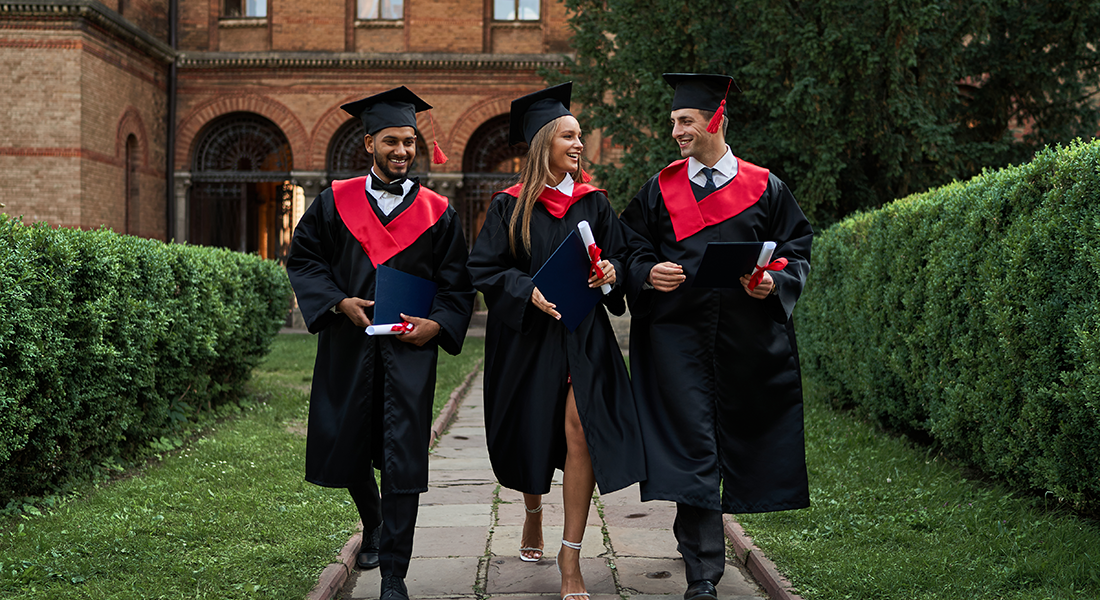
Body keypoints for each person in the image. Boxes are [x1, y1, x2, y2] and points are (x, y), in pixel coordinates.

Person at [619, 73, 813, 600]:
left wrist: (775, 280)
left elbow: (797, 249)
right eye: (674, 122)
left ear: (716, 119)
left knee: (741, 441)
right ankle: (702, 571)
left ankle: (707, 554)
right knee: (692, 446)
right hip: (676, 341)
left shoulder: (765, 186)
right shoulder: (660, 189)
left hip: (746, 343)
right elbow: (629, 248)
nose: (677, 132)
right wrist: (647, 273)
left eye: (685, 121)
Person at [286, 86, 475, 600]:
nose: (402, 152)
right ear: (369, 143)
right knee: (347, 444)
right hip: (349, 347)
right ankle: (372, 521)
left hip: (408, 353)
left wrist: (439, 324)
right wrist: (337, 301)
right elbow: (304, 261)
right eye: (391, 141)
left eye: (410, 143)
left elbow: (458, 287)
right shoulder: (333, 202)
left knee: (403, 458)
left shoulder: (440, 212)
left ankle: (394, 574)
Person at [467, 82, 645, 600]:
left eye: (581, 136)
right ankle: (531, 510)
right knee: (533, 433)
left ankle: (571, 557)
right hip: (528, 340)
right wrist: (529, 290)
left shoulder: (595, 204)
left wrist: (611, 272)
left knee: (580, 430)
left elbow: (620, 265)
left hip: (583, 338)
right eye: (568, 135)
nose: (578, 144)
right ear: (544, 141)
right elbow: (484, 269)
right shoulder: (509, 207)